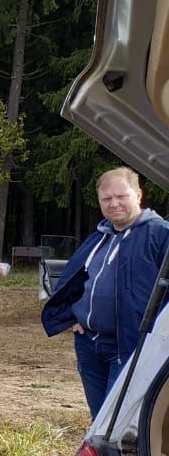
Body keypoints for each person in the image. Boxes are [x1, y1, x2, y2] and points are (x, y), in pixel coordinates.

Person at [42, 166, 169, 418]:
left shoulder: (160, 234)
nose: (114, 204)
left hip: (128, 345)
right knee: (98, 417)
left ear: (138, 195)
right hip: (89, 344)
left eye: (121, 196)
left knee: (116, 420)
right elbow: (77, 280)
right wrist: (73, 316)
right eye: (107, 198)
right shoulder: (101, 236)